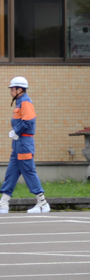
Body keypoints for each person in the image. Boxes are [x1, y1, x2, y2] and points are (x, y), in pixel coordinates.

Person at [1, 77, 49, 214]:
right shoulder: (19, 102)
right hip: (18, 142)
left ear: (19, 89)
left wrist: (16, 131)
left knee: (28, 172)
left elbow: (29, 121)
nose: (10, 92)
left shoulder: (25, 102)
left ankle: (42, 203)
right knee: (11, 173)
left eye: (12, 89)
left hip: (24, 142)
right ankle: (4, 202)